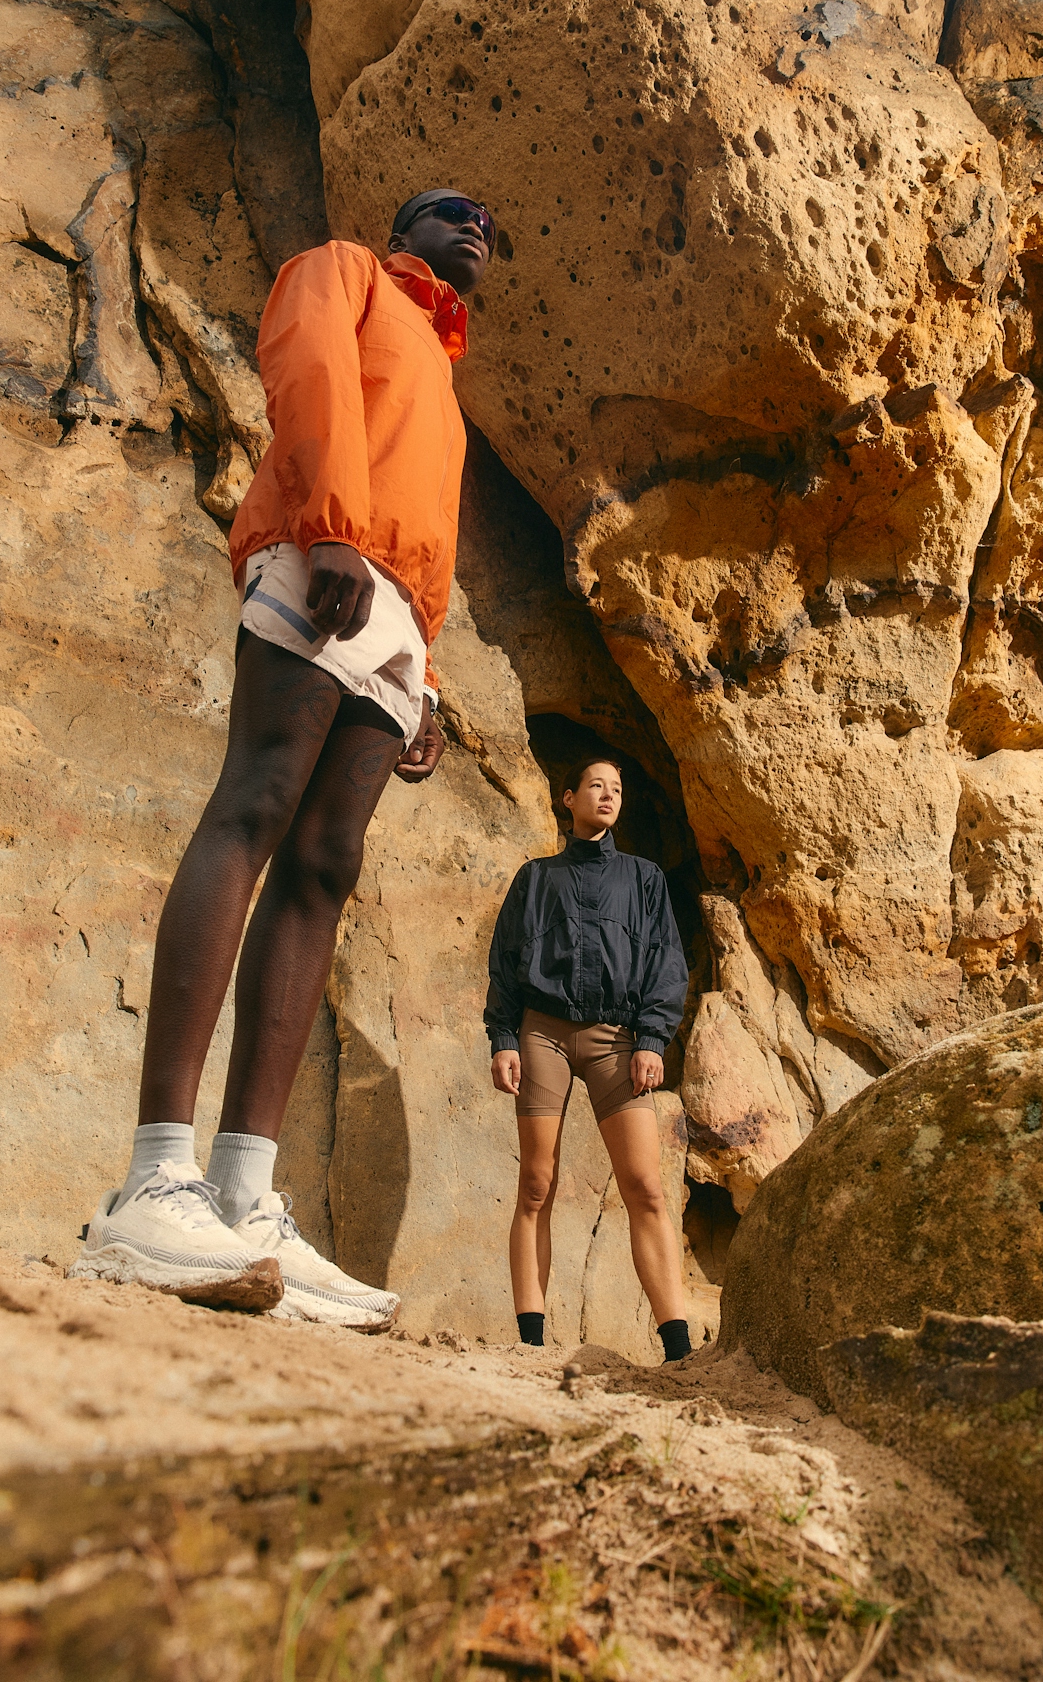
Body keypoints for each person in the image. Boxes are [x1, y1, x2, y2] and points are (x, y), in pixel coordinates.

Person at [74, 190, 496, 1328]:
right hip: (326, 552)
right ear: (403, 230)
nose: (476, 228)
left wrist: (426, 674)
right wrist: (329, 524)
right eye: (453, 212)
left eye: (489, 229)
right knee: (254, 806)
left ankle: (240, 1196)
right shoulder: (346, 268)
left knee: (324, 867)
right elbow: (305, 371)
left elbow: (430, 517)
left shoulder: (443, 369)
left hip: (398, 614)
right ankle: (151, 1182)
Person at [486, 757, 693, 1362]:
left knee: (646, 1187)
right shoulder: (535, 878)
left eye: (617, 789)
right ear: (569, 798)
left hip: (616, 1039)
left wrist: (652, 1039)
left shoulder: (645, 878)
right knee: (536, 1184)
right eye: (596, 786)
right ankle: (531, 1343)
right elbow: (505, 960)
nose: (608, 795)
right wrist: (503, 1038)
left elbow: (666, 960)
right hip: (542, 1035)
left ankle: (678, 1349)